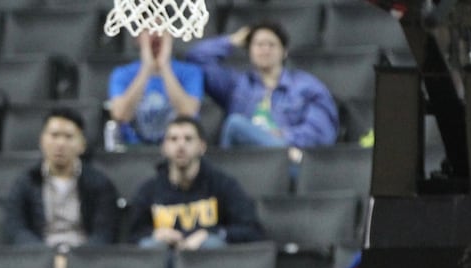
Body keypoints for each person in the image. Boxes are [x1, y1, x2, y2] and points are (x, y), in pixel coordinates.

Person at [186, 20, 339, 159]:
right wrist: (232, 41)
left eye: (271, 44)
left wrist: (283, 135)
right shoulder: (237, 85)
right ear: (250, 51)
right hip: (243, 158)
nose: (265, 49)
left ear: (284, 51)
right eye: (258, 45)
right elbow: (196, 59)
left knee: (235, 124)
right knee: (235, 125)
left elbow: (321, 132)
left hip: (285, 159)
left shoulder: (307, 86)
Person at [129, 117, 265, 250]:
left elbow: (252, 230)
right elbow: (132, 237)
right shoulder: (149, 190)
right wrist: (155, 234)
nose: (180, 145)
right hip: (166, 262)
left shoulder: (222, 184)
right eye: (173, 139)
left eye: (188, 139)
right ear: (164, 147)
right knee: (151, 245)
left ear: (202, 146)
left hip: (207, 265)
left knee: (212, 244)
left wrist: (211, 233)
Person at [0, 108, 120, 252]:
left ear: (82, 145)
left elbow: (104, 233)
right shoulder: (26, 182)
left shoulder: (100, 183)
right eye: (54, 135)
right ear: (42, 141)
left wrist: (76, 260)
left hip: (84, 261)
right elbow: (15, 228)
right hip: (39, 260)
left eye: (69, 137)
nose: (60, 143)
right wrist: (46, 259)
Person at [106, 31, 202, 149]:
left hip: (176, 149)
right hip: (133, 150)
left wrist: (164, 66)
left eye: (161, 28)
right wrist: (146, 68)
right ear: (137, 37)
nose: (155, 34)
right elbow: (120, 115)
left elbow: (189, 113)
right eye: (148, 29)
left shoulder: (190, 72)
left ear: (171, 35)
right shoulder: (122, 73)